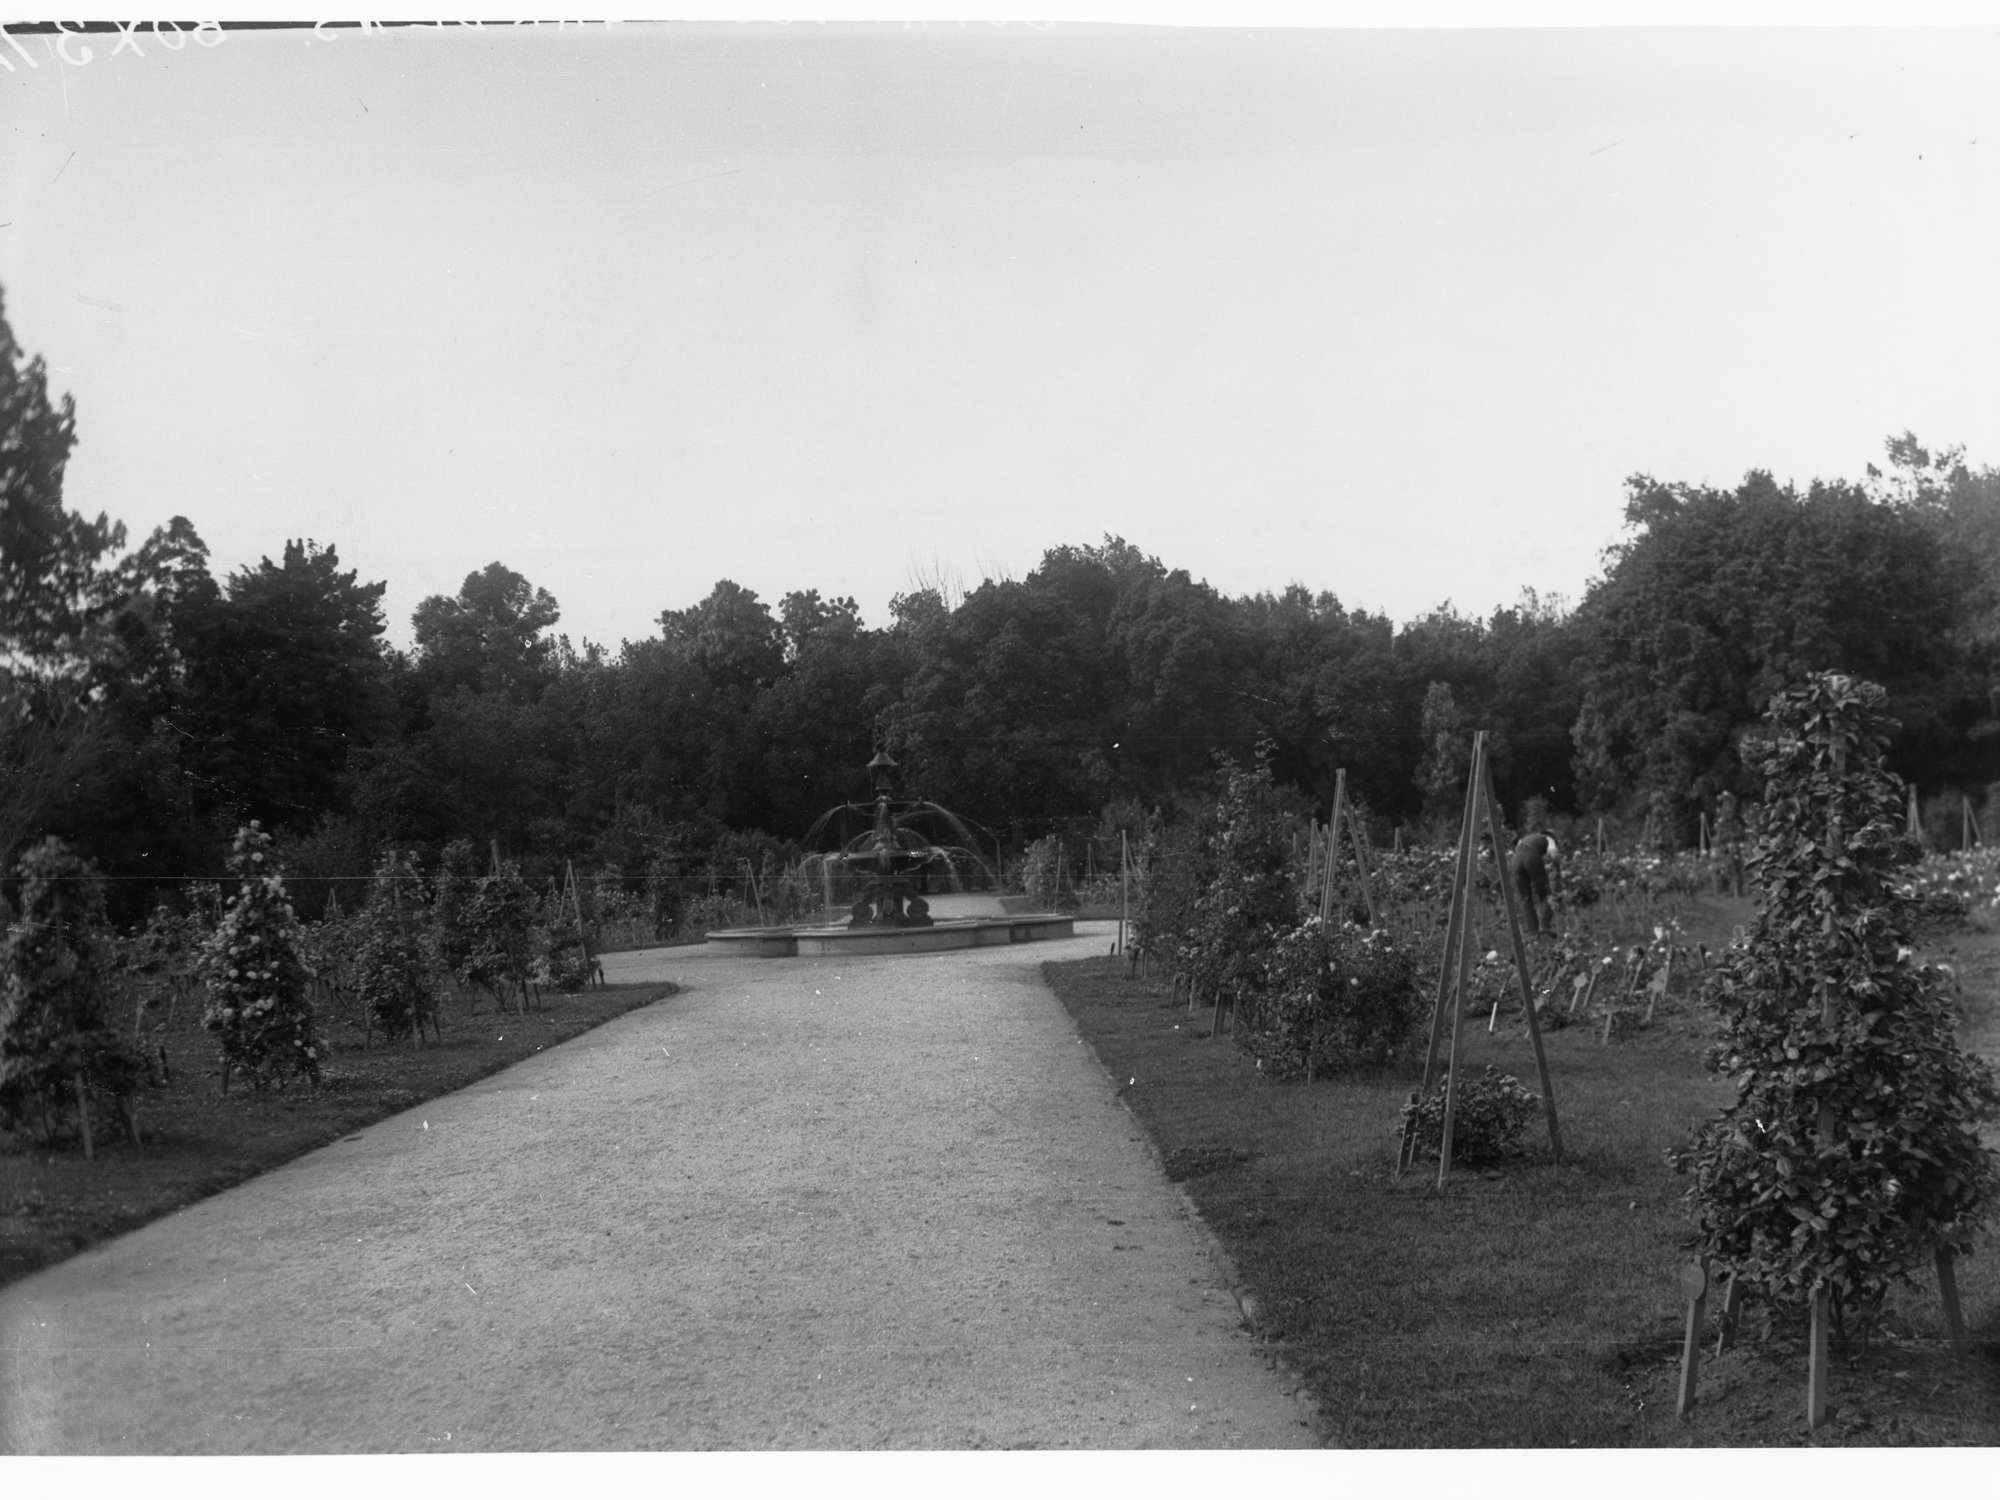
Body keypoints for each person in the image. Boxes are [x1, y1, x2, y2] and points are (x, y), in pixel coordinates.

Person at [1511, 828, 1560, 935]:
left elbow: (1518, 852)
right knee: (1545, 893)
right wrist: (1557, 868)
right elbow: (1554, 853)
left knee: (1526, 898)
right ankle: (1544, 925)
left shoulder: (1525, 839)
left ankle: (1533, 932)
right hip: (1531, 857)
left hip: (1516, 861)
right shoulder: (1548, 839)